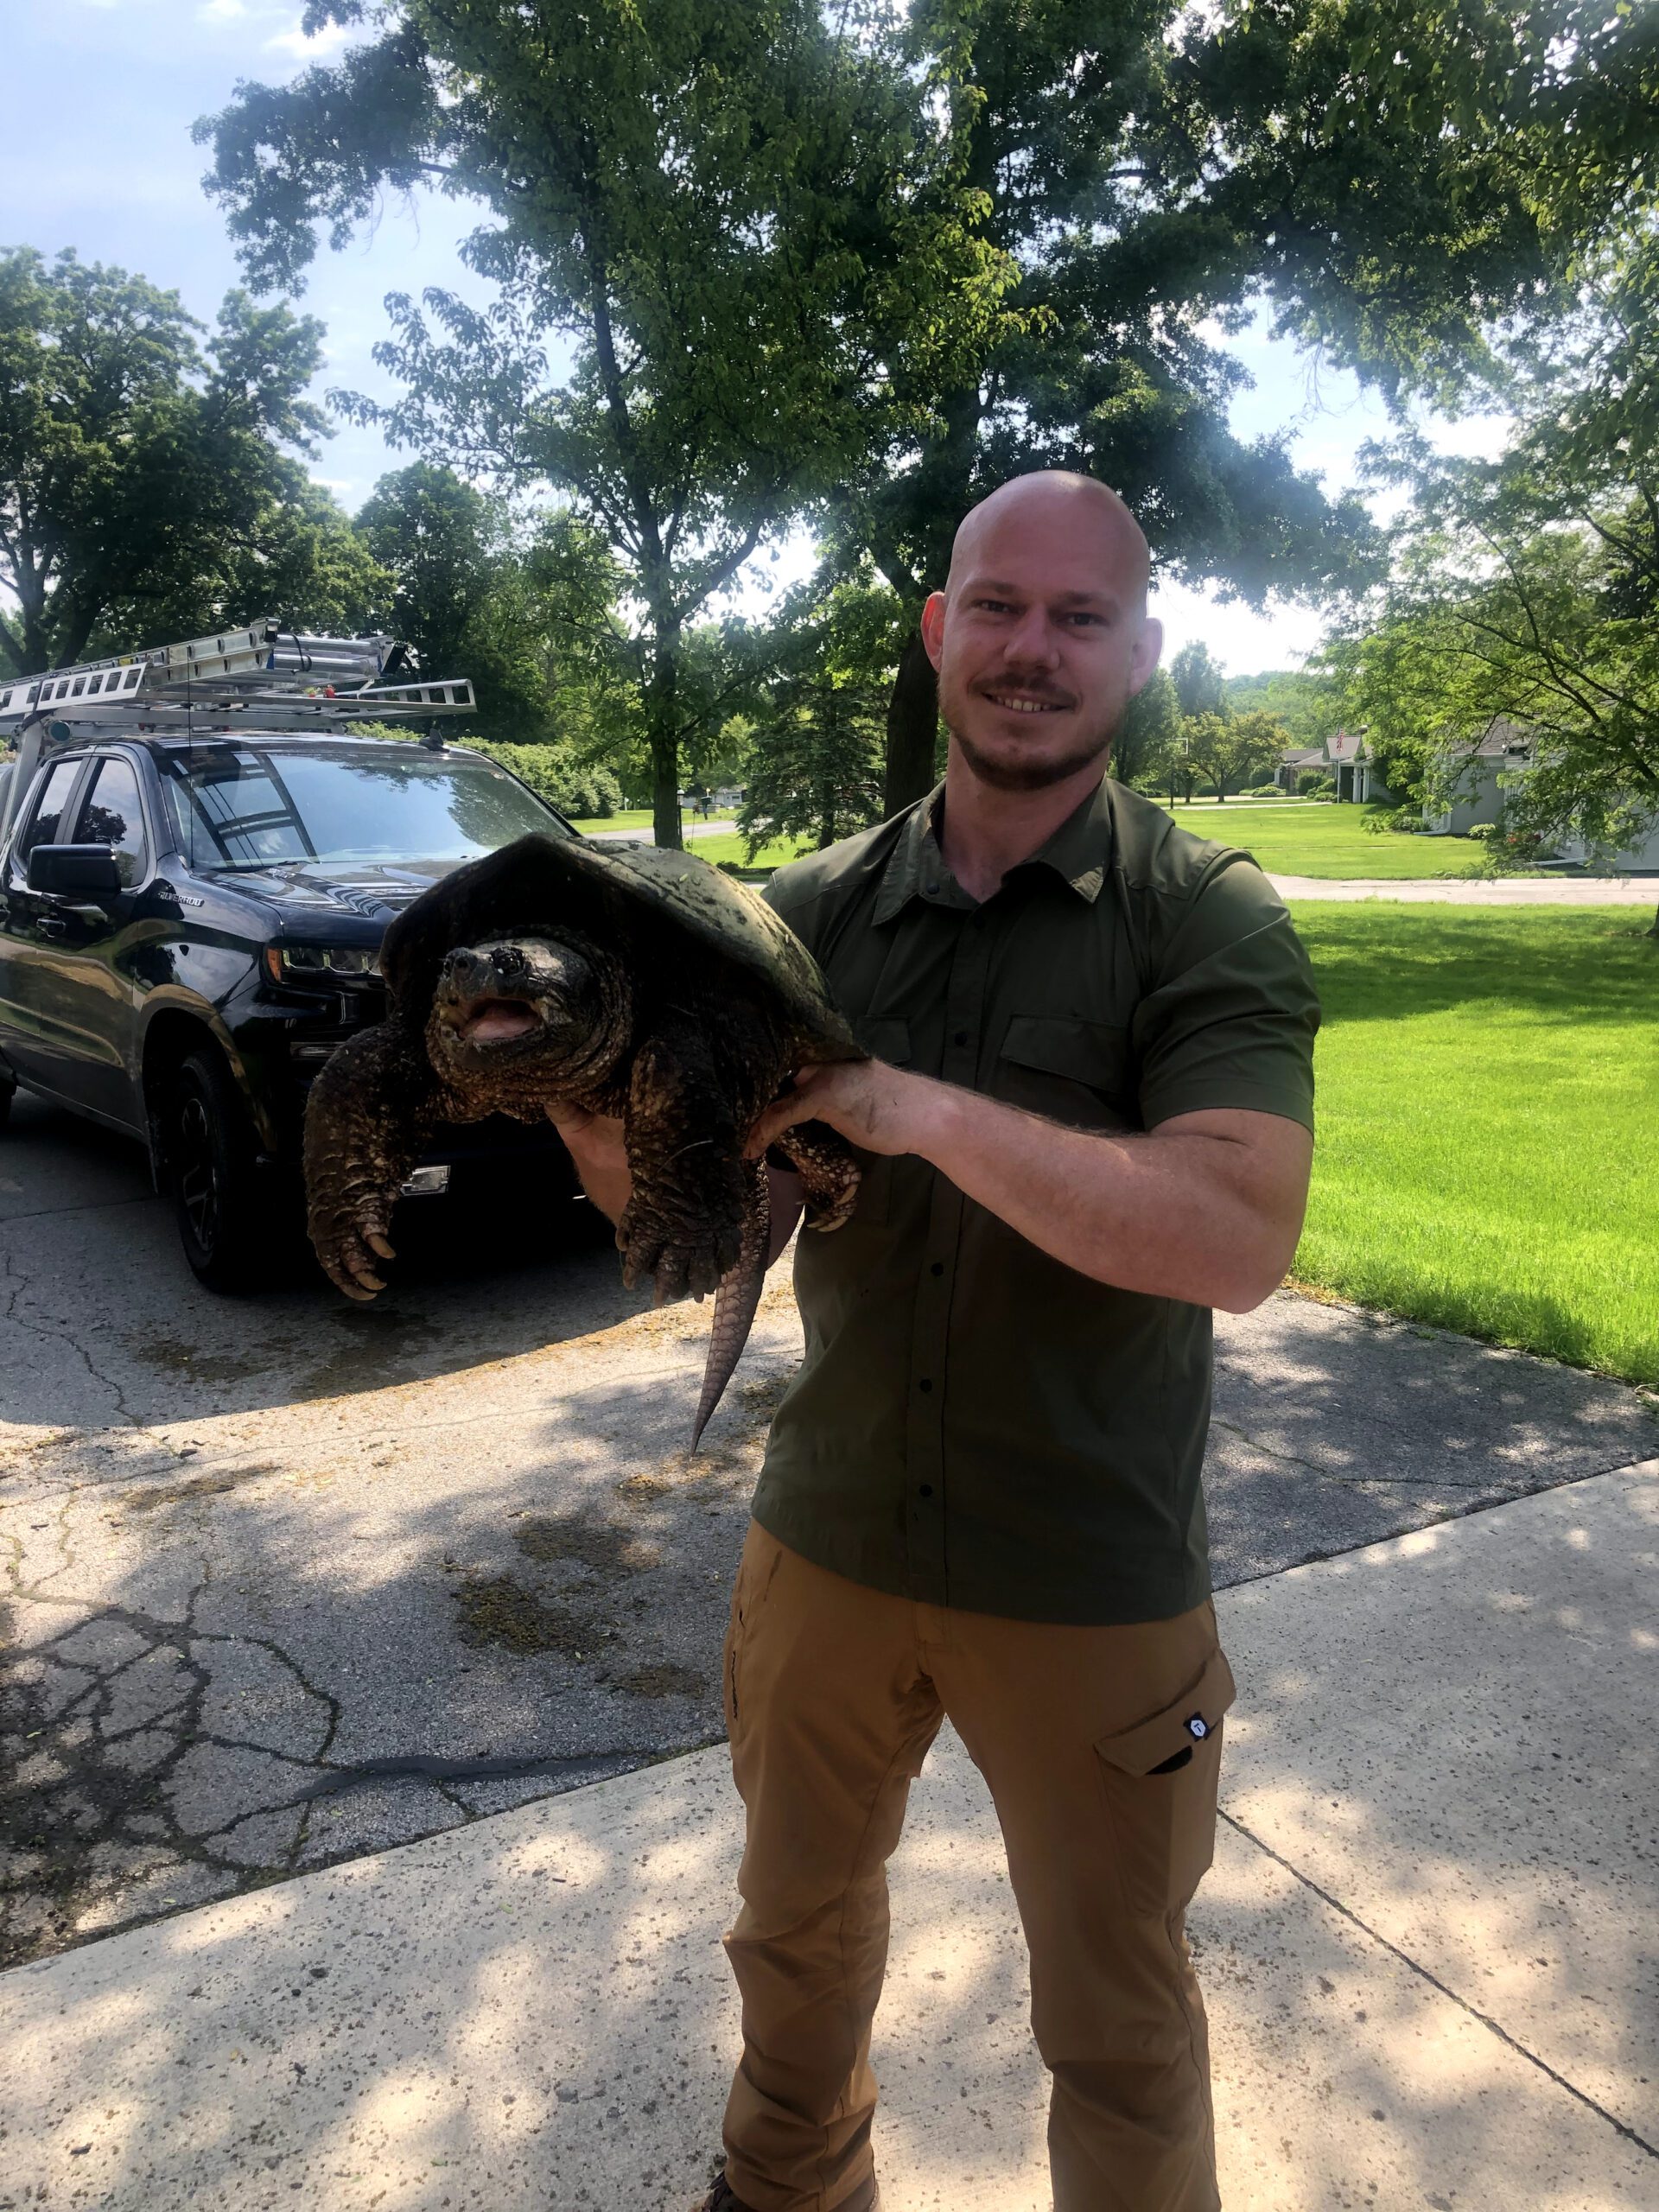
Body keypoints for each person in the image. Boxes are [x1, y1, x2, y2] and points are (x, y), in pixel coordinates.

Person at [556, 470, 1319, 2212]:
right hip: (827, 1536)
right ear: (939, 629)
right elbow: (708, 1230)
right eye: (999, 606)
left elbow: (1235, 1234)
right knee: (793, 1954)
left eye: (1080, 616)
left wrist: (913, 1104)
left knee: (1119, 2018)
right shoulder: (800, 914)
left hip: (1093, 1569)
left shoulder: (1205, 914)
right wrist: (576, 1089)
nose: (1032, 650)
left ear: (1143, 648)